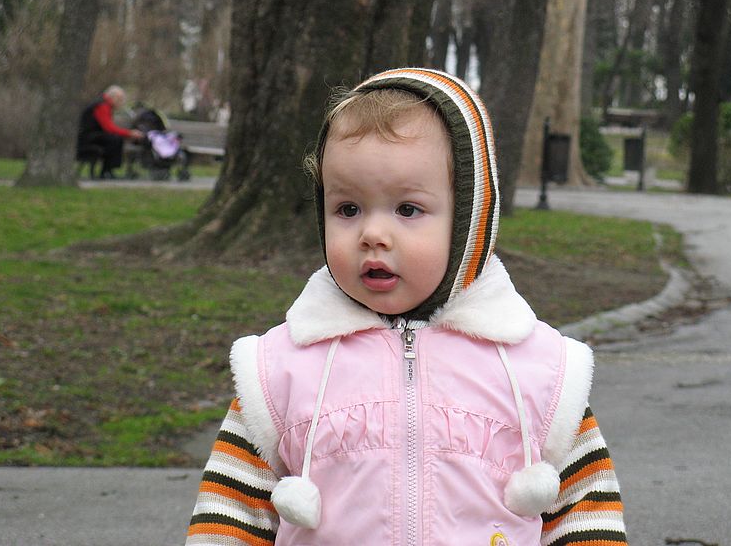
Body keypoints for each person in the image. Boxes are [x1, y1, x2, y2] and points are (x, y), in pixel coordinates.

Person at [184, 68, 628, 545]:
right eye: (348, 209)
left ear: (468, 220)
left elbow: (588, 516)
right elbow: (227, 516)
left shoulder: (541, 374)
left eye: (408, 210)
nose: (373, 234)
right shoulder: (279, 372)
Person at [76, 85, 144, 179]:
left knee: (114, 139)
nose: (121, 103)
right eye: (120, 99)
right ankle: (106, 171)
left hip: (93, 136)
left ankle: (108, 170)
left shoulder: (104, 105)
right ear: (113, 97)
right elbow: (108, 128)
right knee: (115, 140)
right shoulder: (102, 105)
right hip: (87, 139)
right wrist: (130, 133)